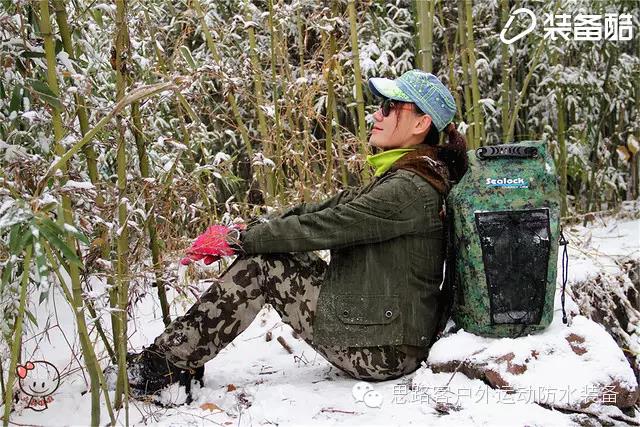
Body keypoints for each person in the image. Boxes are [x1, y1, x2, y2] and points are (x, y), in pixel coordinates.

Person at [109, 69, 468, 397]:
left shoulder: (409, 188)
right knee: (273, 253)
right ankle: (179, 358)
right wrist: (242, 230)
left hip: (383, 350)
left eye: (390, 107)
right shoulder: (406, 174)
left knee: (263, 267)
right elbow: (319, 209)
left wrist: (237, 243)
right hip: (384, 327)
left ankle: (161, 368)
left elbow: (324, 227)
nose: (377, 114)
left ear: (421, 123)